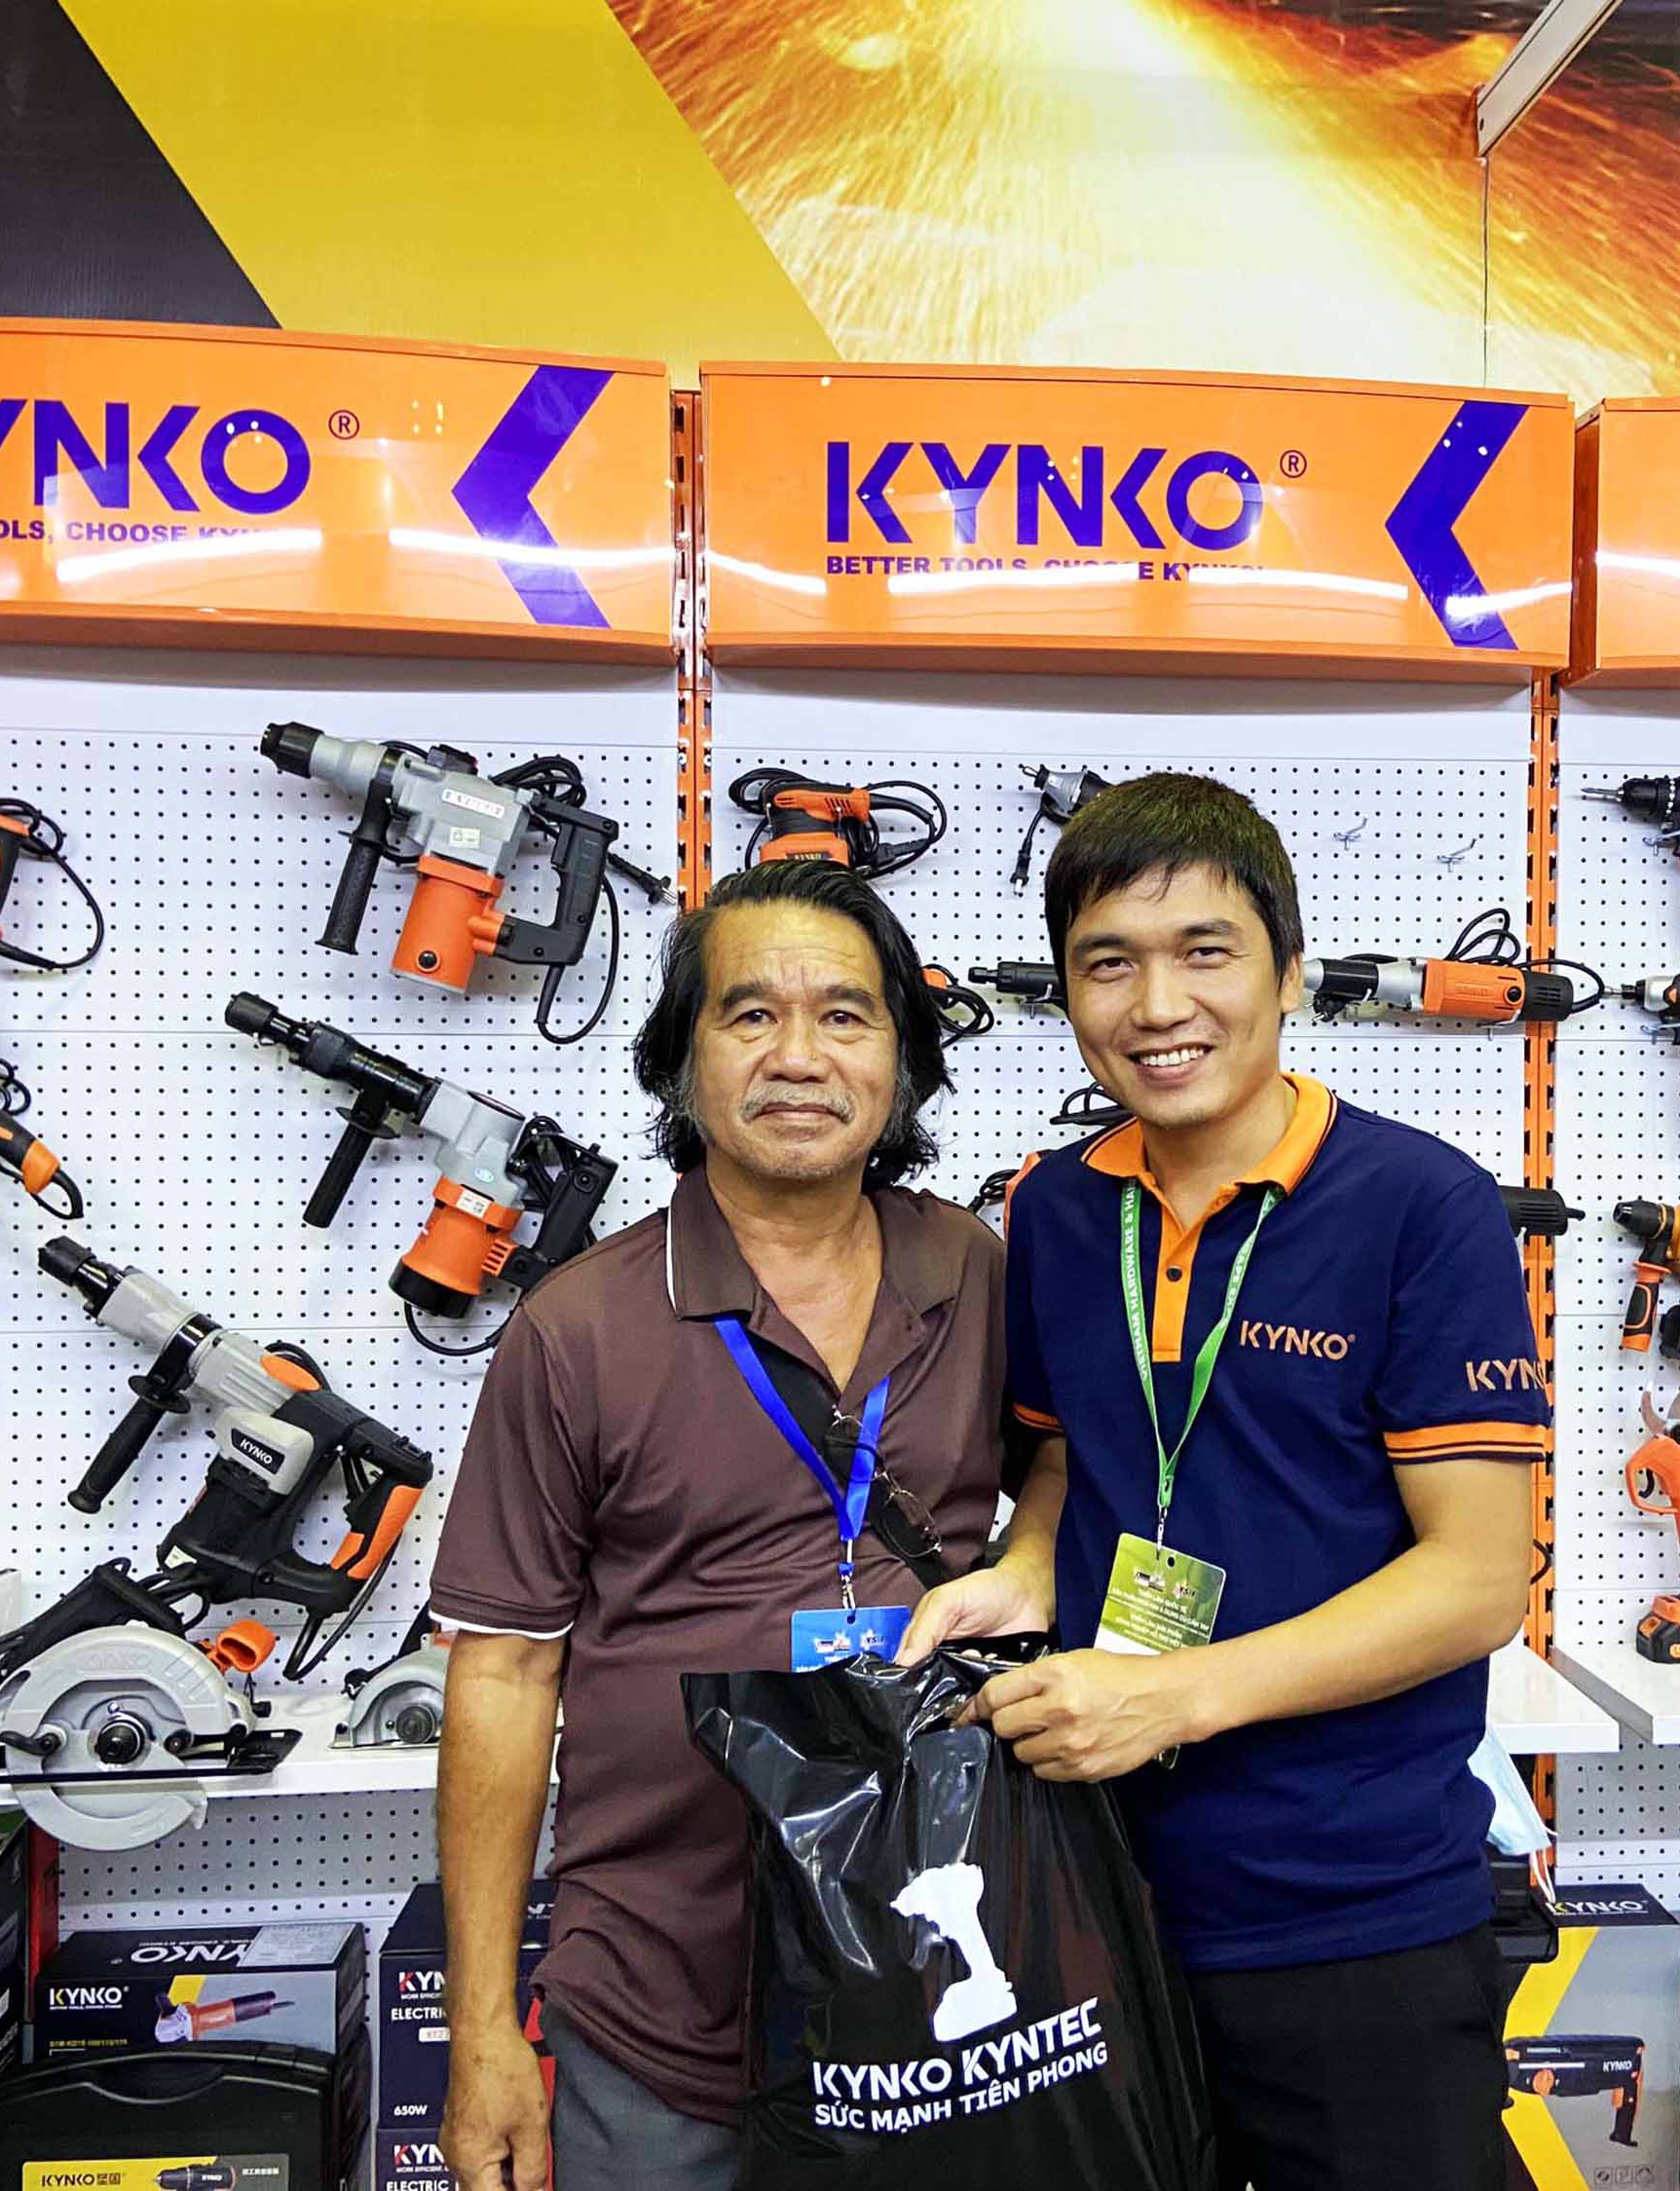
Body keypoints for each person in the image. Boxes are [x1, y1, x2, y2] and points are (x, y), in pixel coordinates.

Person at [900, 772, 1546, 2191]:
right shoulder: (1058, 1205)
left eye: (1206, 952)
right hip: (1095, 1886)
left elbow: (1476, 1580)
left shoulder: (1419, 1206)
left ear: (1289, 971)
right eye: (1108, 963)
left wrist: (1177, 1695)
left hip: (1351, 1909)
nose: (1158, 1004)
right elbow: (1070, 1445)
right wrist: (1027, 1562)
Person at [431, 857, 1006, 2191]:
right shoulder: (576, 1326)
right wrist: (482, 2033)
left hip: (942, 1984)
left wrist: (1028, 1558)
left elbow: (1078, 1478)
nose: (798, 1056)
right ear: (682, 1061)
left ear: (904, 1062)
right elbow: (503, 1673)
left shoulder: (979, 1275)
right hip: (661, 1997)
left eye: (846, 1015)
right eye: (751, 1014)